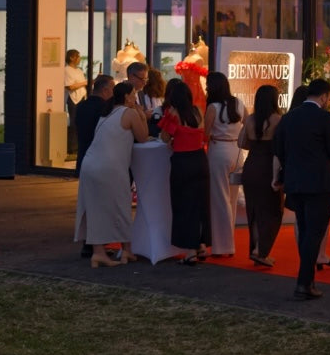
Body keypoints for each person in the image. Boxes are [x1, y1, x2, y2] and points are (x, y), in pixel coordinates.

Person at [274, 78, 330, 299]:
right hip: (319, 183)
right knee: (314, 232)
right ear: (324, 97)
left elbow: (279, 149)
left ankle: (307, 280)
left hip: (295, 182)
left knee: (305, 231)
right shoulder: (326, 118)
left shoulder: (289, 118)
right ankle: (304, 282)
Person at [73, 81, 148, 267]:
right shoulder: (128, 112)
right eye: (132, 95)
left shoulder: (107, 113)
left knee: (97, 208)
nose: (134, 98)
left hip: (90, 164)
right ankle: (108, 253)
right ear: (126, 97)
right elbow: (143, 137)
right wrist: (142, 115)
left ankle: (118, 251)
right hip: (109, 167)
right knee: (119, 206)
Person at [158, 78, 211, 266]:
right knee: (200, 204)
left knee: (184, 206)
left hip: (183, 163)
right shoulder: (198, 112)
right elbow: (203, 134)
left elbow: (164, 138)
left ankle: (190, 252)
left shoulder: (172, 113)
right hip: (200, 160)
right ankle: (202, 244)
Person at [238, 84, 283, 267]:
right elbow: (280, 149)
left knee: (254, 210)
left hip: (252, 166)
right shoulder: (278, 120)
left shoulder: (250, 119)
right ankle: (261, 251)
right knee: (272, 210)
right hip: (269, 166)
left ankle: (256, 248)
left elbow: (242, 142)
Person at [203, 72, 244, 258]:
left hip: (219, 150)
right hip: (236, 152)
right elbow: (248, 124)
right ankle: (230, 243)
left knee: (220, 199)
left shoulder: (213, 107)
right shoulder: (238, 104)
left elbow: (205, 133)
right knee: (232, 199)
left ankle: (223, 246)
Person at [75, 74, 114, 174]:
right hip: (100, 159)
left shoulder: (81, 106)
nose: (114, 93)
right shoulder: (105, 109)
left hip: (83, 156)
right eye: (113, 89)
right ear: (105, 90)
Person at [64, 49, 87, 154]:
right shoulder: (66, 70)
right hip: (73, 99)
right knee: (73, 122)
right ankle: (72, 147)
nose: (79, 59)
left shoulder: (79, 71)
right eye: (78, 56)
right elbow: (70, 86)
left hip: (82, 97)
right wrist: (85, 83)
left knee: (81, 122)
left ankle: (79, 145)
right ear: (72, 58)